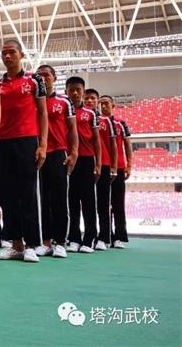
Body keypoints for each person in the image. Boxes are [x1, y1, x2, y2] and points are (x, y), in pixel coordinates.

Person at [0, 40, 48, 263]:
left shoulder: (34, 80)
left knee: (28, 193)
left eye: (12, 52)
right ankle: (16, 244)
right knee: (7, 195)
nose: (7, 56)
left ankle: (32, 245)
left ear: (22, 55)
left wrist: (42, 145)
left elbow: (43, 113)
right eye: (4, 53)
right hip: (2, 142)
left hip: (27, 141)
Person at [34, 65, 78, 259]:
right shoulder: (32, 100)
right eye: (40, 76)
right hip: (37, 154)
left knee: (59, 200)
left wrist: (73, 153)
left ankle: (60, 242)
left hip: (58, 154)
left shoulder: (64, 102)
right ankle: (45, 242)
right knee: (41, 200)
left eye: (46, 75)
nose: (43, 79)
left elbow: (72, 129)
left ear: (54, 78)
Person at [65, 77, 101, 253]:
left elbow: (96, 140)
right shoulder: (64, 110)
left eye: (78, 89)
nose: (75, 93)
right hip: (69, 160)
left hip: (87, 160)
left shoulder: (91, 114)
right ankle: (74, 238)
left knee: (88, 202)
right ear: (66, 91)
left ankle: (89, 239)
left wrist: (98, 164)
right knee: (71, 201)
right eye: (71, 89)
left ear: (83, 92)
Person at [90, 92, 117, 250]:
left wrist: (114, 166)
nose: (90, 101)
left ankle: (104, 237)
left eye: (93, 99)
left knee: (103, 203)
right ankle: (90, 236)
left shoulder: (106, 121)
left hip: (105, 165)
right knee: (89, 204)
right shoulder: (81, 117)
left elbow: (113, 145)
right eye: (87, 98)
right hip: (87, 164)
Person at [105, 96, 133, 249]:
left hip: (120, 168)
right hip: (103, 167)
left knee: (118, 204)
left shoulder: (121, 124)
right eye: (100, 103)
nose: (103, 106)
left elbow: (128, 145)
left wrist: (129, 165)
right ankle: (106, 236)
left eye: (106, 103)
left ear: (113, 106)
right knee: (103, 204)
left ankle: (119, 237)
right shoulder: (97, 122)